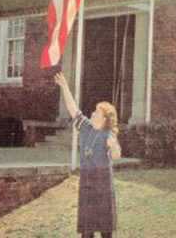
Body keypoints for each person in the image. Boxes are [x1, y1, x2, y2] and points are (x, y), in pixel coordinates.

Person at [55, 72, 122, 238]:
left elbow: (116, 156)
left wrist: (114, 147)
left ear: (104, 118)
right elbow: (73, 109)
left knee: (105, 230)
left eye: (96, 112)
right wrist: (64, 86)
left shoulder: (107, 135)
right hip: (87, 180)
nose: (92, 113)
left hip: (103, 181)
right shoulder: (86, 128)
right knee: (87, 230)